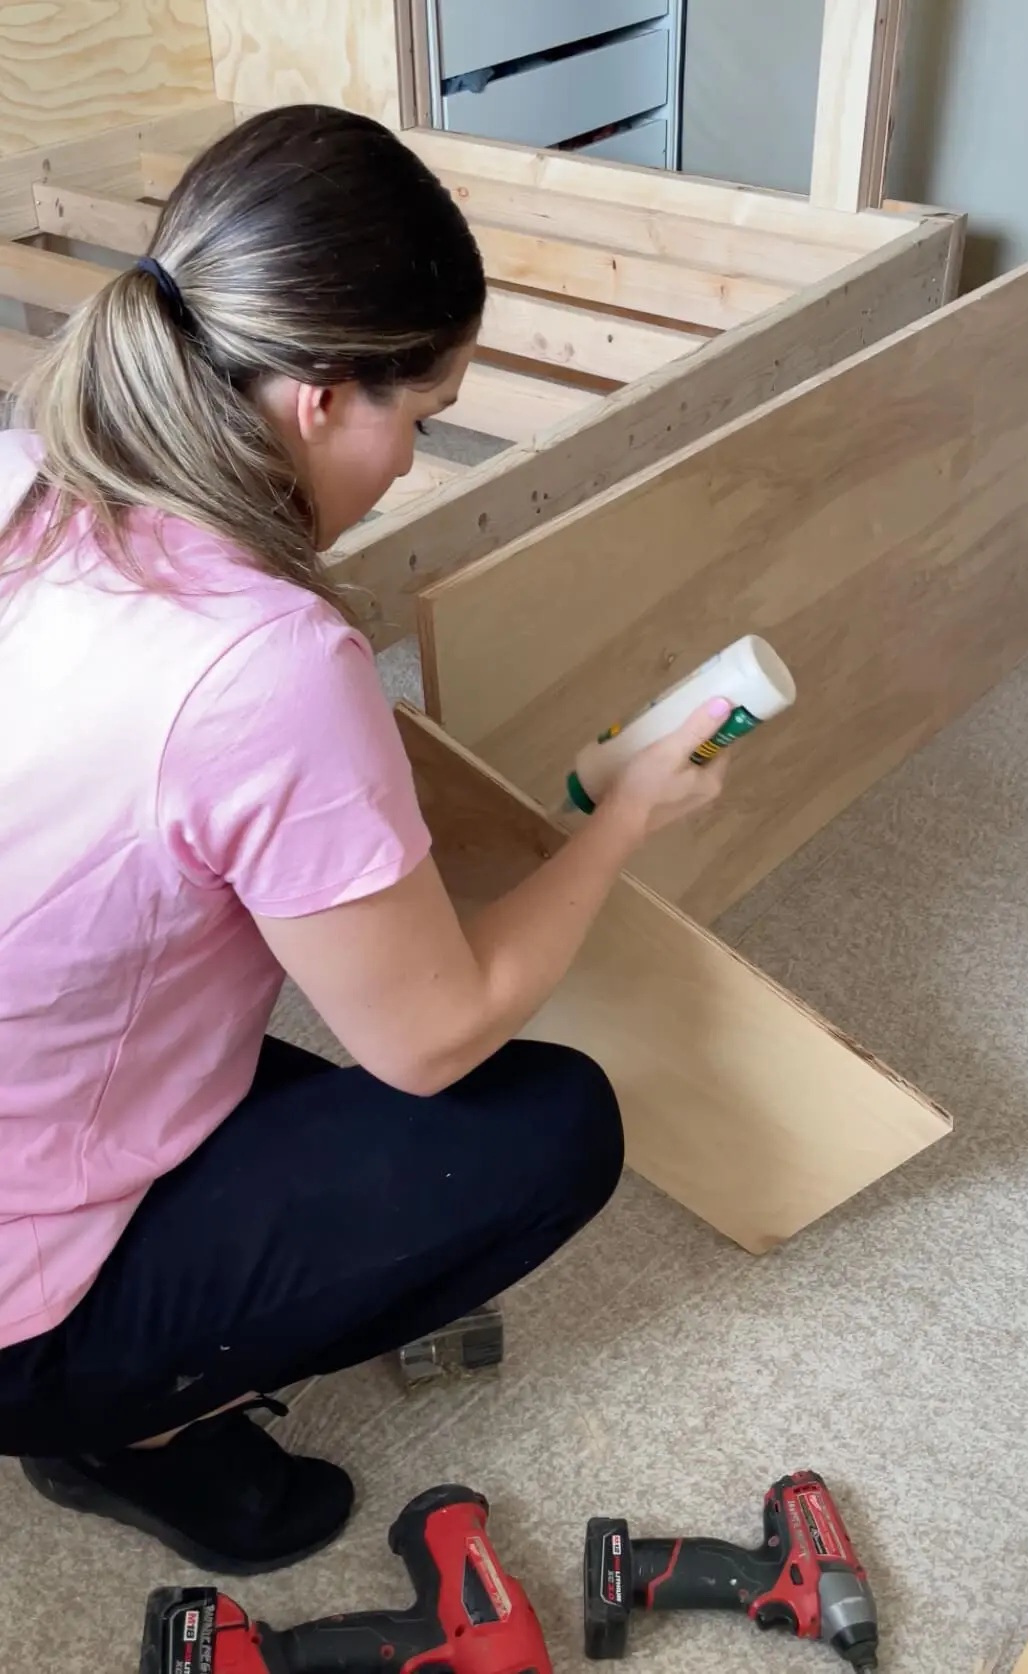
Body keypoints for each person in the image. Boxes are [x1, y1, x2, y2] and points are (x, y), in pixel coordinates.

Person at [0, 105, 734, 1576]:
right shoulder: (269, 665)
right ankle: (122, 1426)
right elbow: (434, 1038)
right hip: (21, 1303)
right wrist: (622, 826)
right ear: (320, 400)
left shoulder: (29, 469)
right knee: (545, 1127)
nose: (415, 459)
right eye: (423, 411)